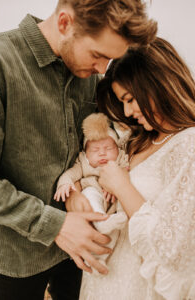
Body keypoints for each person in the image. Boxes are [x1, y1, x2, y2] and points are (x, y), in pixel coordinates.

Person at [0, 1, 157, 299]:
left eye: (110, 59)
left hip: (82, 254)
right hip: (16, 259)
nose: (101, 70)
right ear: (65, 23)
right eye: (98, 55)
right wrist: (54, 225)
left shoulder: (91, 76)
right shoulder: (0, 63)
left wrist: (78, 189)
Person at [79, 37, 195, 300]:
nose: (128, 111)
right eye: (122, 102)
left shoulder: (189, 145)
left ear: (158, 82)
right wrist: (76, 192)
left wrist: (121, 186)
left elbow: (176, 250)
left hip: (139, 289)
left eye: (130, 99)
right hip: (103, 282)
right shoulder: (135, 139)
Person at [54, 112, 128, 269]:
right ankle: (100, 222)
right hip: (94, 193)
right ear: (85, 153)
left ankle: (105, 250)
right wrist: (64, 184)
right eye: (95, 150)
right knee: (90, 195)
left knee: (122, 205)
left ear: (118, 149)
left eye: (108, 148)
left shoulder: (121, 159)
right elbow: (71, 173)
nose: (102, 153)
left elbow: (127, 169)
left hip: (114, 200)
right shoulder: (83, 163)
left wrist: (118, 180)